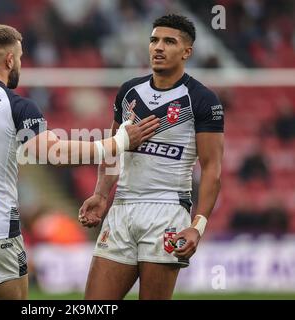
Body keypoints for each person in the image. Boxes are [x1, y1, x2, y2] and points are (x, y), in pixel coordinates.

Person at [0, 24, 159, 300]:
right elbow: (55, 153)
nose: (20, 63)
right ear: (8, 60)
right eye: (19, 57)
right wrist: (118, 143)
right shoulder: (16, 105)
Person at [78, 14, 224, 300]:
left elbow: (212, 170)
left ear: (187, 52)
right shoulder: (129, 92)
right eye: (154, 40)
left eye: (169, 41)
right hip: (121, 209)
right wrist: (101, 194)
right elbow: (112, 149)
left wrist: (198, 226)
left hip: (166, 212)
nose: (158, 47)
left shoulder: (202, 100)